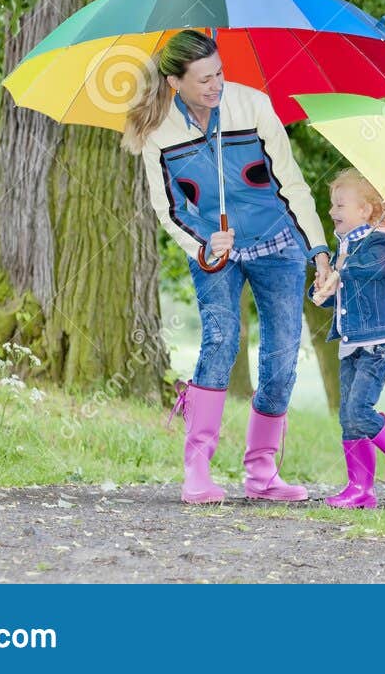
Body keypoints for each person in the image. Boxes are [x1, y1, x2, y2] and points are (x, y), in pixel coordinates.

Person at [121, 30, 334, 504]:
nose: (216, 85)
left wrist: (318, 249)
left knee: (281, 356)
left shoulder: (253, 105)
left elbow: (291, 182)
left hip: (277, 242)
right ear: (175, 82)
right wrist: (204, 241)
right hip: (214, 249)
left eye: (219, 73)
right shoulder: (160, 131)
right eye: (204, 80)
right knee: (221, 339)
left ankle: (262, 471)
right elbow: (170, 208)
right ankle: (197, 465)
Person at [312, 168, 385, 509]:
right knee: (348, 416)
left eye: (340, 205)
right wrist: (323, 289)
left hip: (378, 343)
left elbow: (373, 271)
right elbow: (342, 294)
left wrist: (341, 269)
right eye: (332, 205)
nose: (332, 211)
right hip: (351, 343)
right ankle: (360, 488)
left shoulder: (380, 242)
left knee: (360, 410)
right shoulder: (344, 246)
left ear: (365, 211)